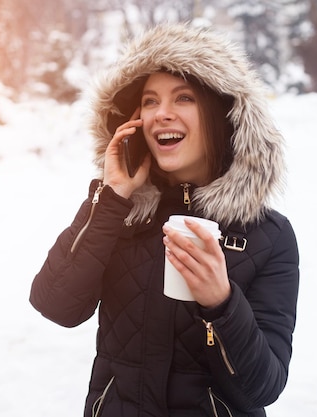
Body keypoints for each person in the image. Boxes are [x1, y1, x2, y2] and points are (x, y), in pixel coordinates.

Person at [30, 23, 300, 417]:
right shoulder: (121, 214)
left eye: (184, 98)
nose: (162, 114)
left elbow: (263, 385)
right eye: (150, 101)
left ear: (221, 113)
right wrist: (110, 199)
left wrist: (221, 305)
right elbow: (55, 304)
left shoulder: (266, 235)